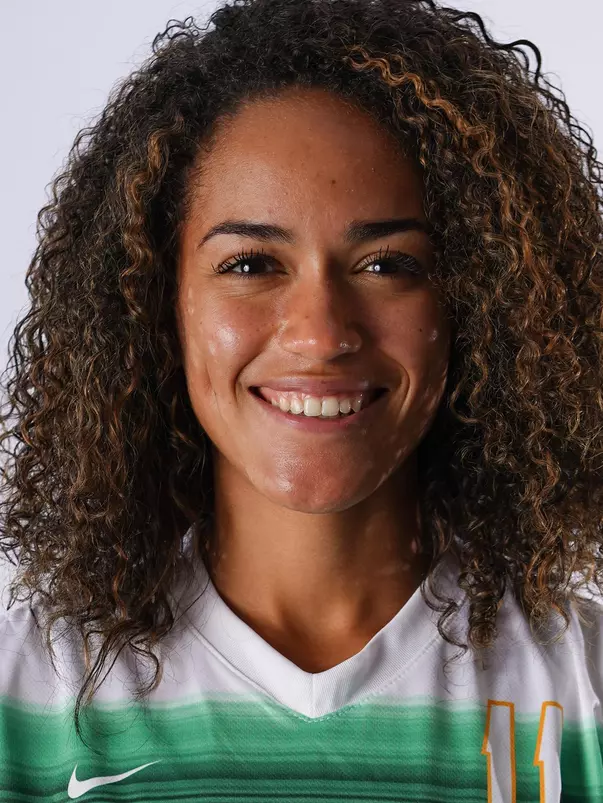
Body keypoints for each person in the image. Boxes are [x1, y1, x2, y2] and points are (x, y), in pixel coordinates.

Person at [1, 0, 602, 799]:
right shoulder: (26, 696)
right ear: (156, 302)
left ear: (481, 303)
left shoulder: (582, 691)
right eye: (250, 264)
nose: (319, 334)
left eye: (388, 265)